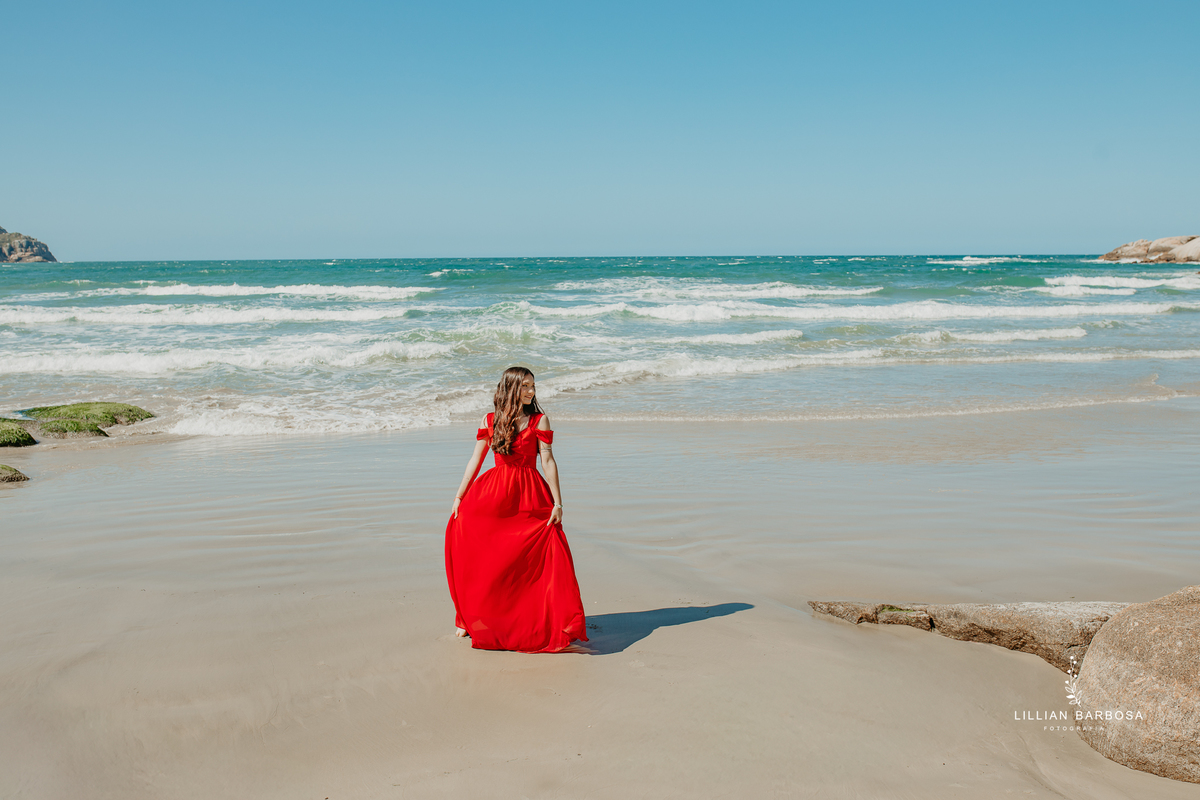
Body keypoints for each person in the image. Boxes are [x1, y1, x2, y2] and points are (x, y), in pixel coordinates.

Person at [444, 366, 588, 652]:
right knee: (487, 558)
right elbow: (476, 459)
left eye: (533, 386)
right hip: (494, 495)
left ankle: (535, 620)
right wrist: (459, 496)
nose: (531, 391)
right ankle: (471, 619)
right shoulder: (489, 419)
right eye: (524, 386)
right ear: (510, 387)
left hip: (530, 496)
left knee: (539, 557)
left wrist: (558, 502)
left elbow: (548, 461)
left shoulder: (539, 420)